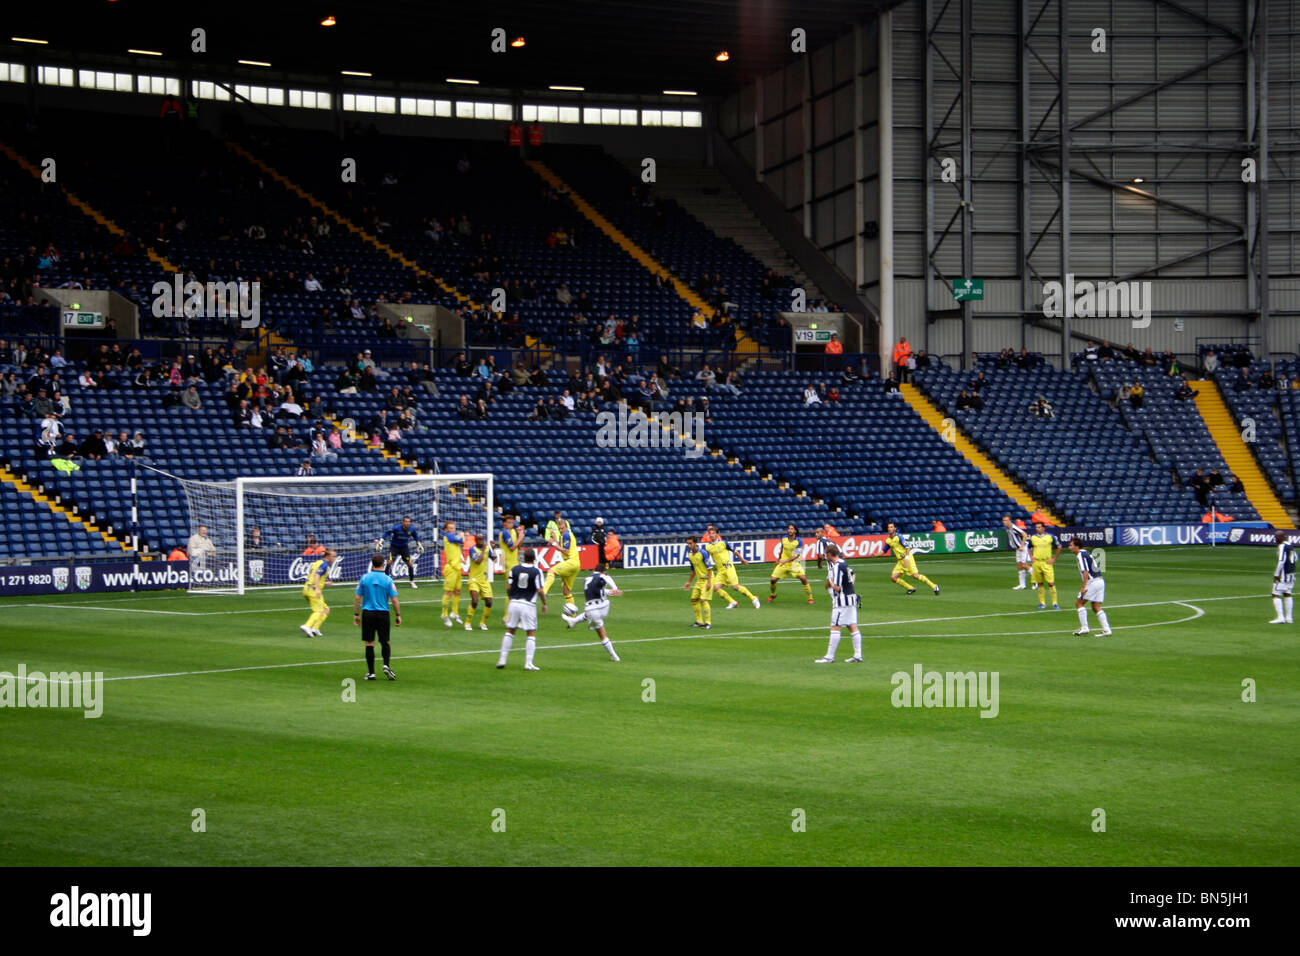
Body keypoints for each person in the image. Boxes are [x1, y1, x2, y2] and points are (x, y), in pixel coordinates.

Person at [560, 562, 623, 661]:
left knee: (602, 634)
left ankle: (614, 655)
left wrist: (609, 591)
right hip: (603, 607)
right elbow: (606, 578)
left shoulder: (587, 579)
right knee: (601, 629)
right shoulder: (603, 576)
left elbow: (597, 590)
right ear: (603, 571)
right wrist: (614, 588)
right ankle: (577, 621)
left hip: (590, 609)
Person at [497, 547, 547, 671]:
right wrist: (544, 603)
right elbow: (540, 590)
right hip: (528, 604)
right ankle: (528, 663)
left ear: (523, 557)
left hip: (514, 602)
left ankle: (502, 659)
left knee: (510, 630)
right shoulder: (537, 571)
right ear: (535, 559)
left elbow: (508, 587)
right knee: (531, 632)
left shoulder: (514, 569)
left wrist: (511, 599)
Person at [353, 553, 401, 681]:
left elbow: (358, 597)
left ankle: (371, 673)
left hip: (368, 613)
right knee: (385, 641)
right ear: (383, 564)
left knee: (369, 643)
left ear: (372, 564)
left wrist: (356, 614)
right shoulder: (388, 579)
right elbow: (395, 599)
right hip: (383, 613)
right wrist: (398, 615)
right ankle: (386, 665)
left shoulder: (364, 578)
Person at [814, 543, 863, 663]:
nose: (825, 557)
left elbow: (837, 587)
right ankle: (858, 655)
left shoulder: (836, 567)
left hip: (841, 602)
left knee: (835, 627)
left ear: (830, 554)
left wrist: (830, 581)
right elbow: (853, 574)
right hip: (851, 598)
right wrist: (850, 585)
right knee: (852, 626)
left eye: (826, 555)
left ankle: (829, 657)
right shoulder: (844, 563)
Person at [703, 525, 761, 609]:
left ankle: (753, 598)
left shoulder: (723, 543)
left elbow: (735, 551)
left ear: (717, 534)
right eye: (710, 533)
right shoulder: (708, 547)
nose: (711, 535)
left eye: (713, 533)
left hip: (728, 567)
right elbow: (707, 559)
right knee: (716, 588)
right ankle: (732, 602)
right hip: (720, 570)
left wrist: (742, 559)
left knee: (735, 587)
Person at [1069, 538, 1111, 637]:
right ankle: (1107, 629)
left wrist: (1083, 587)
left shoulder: (1080, 555)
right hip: (1100, 580)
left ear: (1077, 546)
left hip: (1092, 582)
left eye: (1071, 545)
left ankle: (1084, 628)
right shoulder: (1086, 552)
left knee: (1079, 603)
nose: (1069, 547)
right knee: (1095, 606)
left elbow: (1086, 572)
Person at [884, 522, 939, 595]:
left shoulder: (899, 537)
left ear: (895, 528)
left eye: (891, 527)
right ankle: (910, 588)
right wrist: (875, 554)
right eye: (888, 527)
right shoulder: (888, 540)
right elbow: (883, 550)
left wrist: (907, 558)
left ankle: (934, 586)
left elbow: (907, 547)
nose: (890, 529)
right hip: (900, 562)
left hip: (908, 559)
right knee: (893, 578)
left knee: (916, 575)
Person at [769, 523, 814, 604]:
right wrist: (778, 559)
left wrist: (785, 561)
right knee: (772, 580)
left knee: (803, 579)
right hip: (783, 562)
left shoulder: (799, 541)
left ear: (795, 531)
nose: (790, 530)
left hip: (794, 563)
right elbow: (782, 549)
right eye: (789, 528)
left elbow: (797, 555)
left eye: (792, 529)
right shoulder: (783, 538)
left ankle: (810, 598)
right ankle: (773, 594)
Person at [299, 547, 337, 639]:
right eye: (334, 556)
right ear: (328, 556)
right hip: (313, 590)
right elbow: (316, 576)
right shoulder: (324, 565)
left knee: (326, 609)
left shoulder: (317, 563)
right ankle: (307, 626)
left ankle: (315, 628)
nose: (335, 558)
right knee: (319, 611)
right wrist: (317, 589)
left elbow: (313, 577)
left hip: (307, 589)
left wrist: (324, 583)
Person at [542, 518, 583, 603]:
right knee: (566, 590)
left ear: (566, 527)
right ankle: (572, 615)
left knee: (551, 571)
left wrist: (553, 543)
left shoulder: (566, 535)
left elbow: (565, 551)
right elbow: (560, 548)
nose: (561, 530)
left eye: (562, 528)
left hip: (570, 562)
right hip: (576, 564)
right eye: (559, 528)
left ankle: (544, 592)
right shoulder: (565, 535)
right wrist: (554, 538)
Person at [462, 535, 498, 631]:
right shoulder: (472, 549)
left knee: (489, 602)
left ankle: (482, 623)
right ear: (476, 540)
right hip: (474, 580)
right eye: (479, 539)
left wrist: (493, 549)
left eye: (482, 539)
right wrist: (484, 550)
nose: (481, 541)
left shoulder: (487, 549)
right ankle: (468, 622)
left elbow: (494, 559)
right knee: (475, 600)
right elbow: (478, 561)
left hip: (484, 580)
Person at [376, 515, 421, 589]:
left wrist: (418, 543)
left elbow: (415, 536)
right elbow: (387, 533)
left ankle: (412, 582)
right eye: (406, 521)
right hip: (394, 547)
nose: (407, 523)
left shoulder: (411, 529)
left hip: (404, 547)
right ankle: (387, 582)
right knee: (389, 562)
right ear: (403, 522)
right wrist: (381, 541)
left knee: (410, 564)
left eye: (409, 522)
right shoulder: (397, 528)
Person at [683, 536, 715, 629]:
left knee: (704, 600)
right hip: (699, 580)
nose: (689, 545)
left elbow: (710, 568)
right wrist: (689, 582)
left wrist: (709, 582)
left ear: (695, 543)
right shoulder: (690, 555)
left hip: (707, 579)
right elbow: (693, 570)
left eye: (690, 543)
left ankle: (708, 623)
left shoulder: (703, 553)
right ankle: (699, 621)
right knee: (693, 599)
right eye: (688, 543)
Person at [1029, 521, 1061, 610]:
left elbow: (1059, 547)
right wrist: (1031, 557)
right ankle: (1042, 603)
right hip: (1037, 563)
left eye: (1039, 527)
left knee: (1051, 583)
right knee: (1039, 583)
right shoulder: (1033, 538)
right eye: (1036, 527)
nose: (1037, 529)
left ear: (1043, 528)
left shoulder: (1051, 536)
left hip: (1047, 563)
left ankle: (1055, 603)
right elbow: (1029, 547)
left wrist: (1054, 558)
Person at [440, 520, 466, 626]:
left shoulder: (453, 538)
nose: (452, 530)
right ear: (446, 529)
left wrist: (461, 558)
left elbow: (457, 549)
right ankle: (444, 614)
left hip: (458, 567)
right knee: (449, 593)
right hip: (451, 568)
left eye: (453, 528)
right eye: (450, 528)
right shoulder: (447, 536)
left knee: (458, 591)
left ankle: (454, 612)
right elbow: (460, 541)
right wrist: (462, 536)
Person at [497, 514, 523, 620]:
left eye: (512, 522)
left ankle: (513, 617)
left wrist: (520, 535)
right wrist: (520, 537)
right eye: (509, 522)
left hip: (515, 564)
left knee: (517, 591)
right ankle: (507, 617)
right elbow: (512, 547)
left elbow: (519, 546)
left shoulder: (512, 532)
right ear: (504, 523)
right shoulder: (504, 533)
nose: (511, 524)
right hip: (508, 565)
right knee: (512, 591)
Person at [1270, 532, 1296, 625]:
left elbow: (1281, 561)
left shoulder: (1282, 546)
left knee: (1275, 594)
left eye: (1276, 537)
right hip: (1291, 574)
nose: (1275, 539)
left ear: (1281, 537)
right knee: (1287, 594)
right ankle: (1289, 618)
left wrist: (1277, 574)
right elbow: (1296, 558)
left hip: (1283, 575)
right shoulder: (1290, 545)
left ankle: (1280, 617)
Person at [1003, 515, 1031, 590]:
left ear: (1010, 521)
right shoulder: (1008, 529)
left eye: (1006, 520)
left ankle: (1037, 581)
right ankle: (1022, 585)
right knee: (1019, 566)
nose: (1004, 522)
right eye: (1003, 520)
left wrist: (1022, 546)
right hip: (1018, 549)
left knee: (1024, 565)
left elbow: (1025, 535)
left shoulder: (1014, 528)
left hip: (1023, 548)